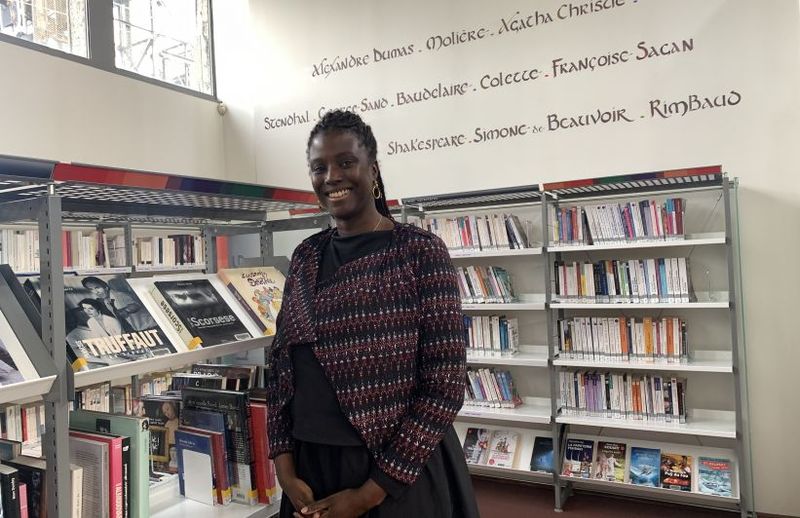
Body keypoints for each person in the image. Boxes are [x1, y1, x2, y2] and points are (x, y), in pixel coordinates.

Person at [265, 110, 479, 518]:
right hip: (310, 469)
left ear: (373, 170)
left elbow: (445, 385)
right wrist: (284, 467)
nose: (332, 177)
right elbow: (280, 366)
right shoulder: (306, 255)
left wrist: (368, 495)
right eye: (319, 167)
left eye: (346, 162)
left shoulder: (419, 252)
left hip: (392, 476)